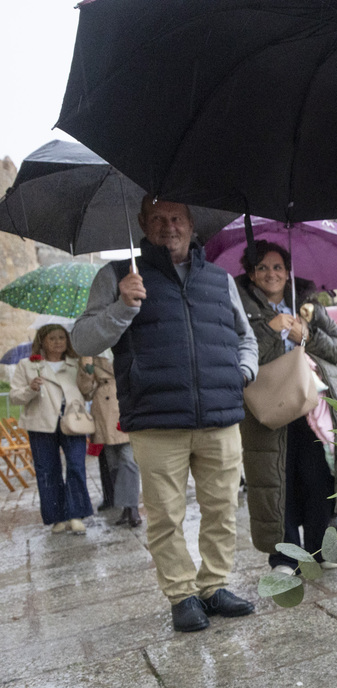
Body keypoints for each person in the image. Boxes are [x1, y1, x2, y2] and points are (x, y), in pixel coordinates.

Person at [72, 197, 258, 634]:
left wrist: (243, 372)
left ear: (192, 224)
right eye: (157, 218)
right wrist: (122, 307)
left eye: (176, 218)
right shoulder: (117, 276)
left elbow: (244, 337)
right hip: (155, 418)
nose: (168, 226)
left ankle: (214, 586)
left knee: (221, 507)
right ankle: (181, 594)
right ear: (142, 223)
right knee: (165, 514)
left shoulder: (219, 279)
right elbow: (82, 340)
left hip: (219, 414)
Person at [236, 242, 337, 576]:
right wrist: (269, 330)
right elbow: (239, 353)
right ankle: (285, 556)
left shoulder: (307, 303)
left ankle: (321, 547)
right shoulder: (239, 305)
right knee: (277, 481)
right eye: (262, 267)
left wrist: (304, 334)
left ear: (288, 272)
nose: (271, 274)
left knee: (318, 478)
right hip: (267, 406)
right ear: (250, 273)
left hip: (312, 405)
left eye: (278, 267)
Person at [9, 324, 94, 533]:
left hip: (72, 420)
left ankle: (75, 515)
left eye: (62, 338)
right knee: (47, 470)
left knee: (76, 465)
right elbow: (14, 396)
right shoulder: (27, 365)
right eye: (52, 338)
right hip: (41, 422)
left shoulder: (76, 364)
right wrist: (31, 388)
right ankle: (57, 517)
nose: (58, 342)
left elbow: (87, 392)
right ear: (42, 341)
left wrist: (87, 370)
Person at [79, 353, 142, 526]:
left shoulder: (125, 344)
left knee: (129, 460)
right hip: (104, 411)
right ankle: (125, 508)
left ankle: (133, 507)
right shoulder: (91, 355)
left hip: (125, 404)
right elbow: (85, 391)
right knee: (113, 464)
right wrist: (87, 368)